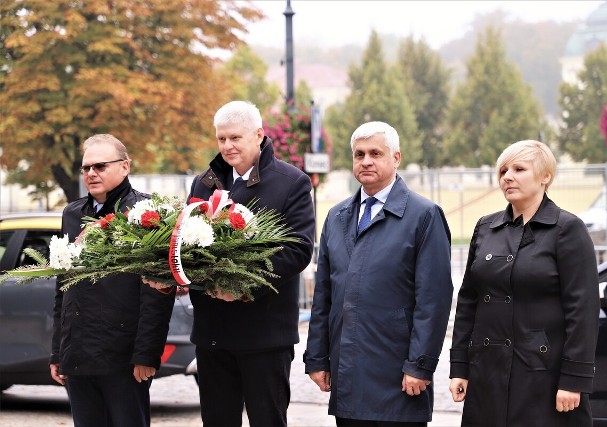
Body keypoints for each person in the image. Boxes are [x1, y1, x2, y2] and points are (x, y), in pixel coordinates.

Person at [304, 121, 453, 426]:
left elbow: (433, 300)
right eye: (359, 154)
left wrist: (420, 365)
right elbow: (324, 296)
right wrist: (317, 358)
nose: (366, 161)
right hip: (348, 376)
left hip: (398, 377)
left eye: (376, 153)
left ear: (396, 158)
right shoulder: (337, 217)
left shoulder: (424, 216)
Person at [448, 140, 600, 426]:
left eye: (519, 169)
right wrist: (460, 366)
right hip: (487, 373)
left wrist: (574, 379)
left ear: (545, 177)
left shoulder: (567, 229)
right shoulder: (485, 227)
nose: (507, 176)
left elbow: (583, 311)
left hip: (542, 373)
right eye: (503, 170)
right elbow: (468, 301)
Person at [186, 100, 315, 426]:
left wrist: (242, 286)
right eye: (221, 139)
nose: (227, 146)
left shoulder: (292, 183)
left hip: (264, 335)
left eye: (235, 138)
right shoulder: (204, 182)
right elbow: (187, 242)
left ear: (258, 135)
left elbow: (298, 249)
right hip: (213, 333)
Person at [50, 134, 176, 427]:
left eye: (100, 166)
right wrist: (58, 350)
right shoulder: (72, 214)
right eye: (86, 168)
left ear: (125, 166)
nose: (91, 173)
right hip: (78, 352)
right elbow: (63, 286)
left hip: (124, 357)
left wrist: (147, 354)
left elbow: (158, 292)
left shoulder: (147, 213)